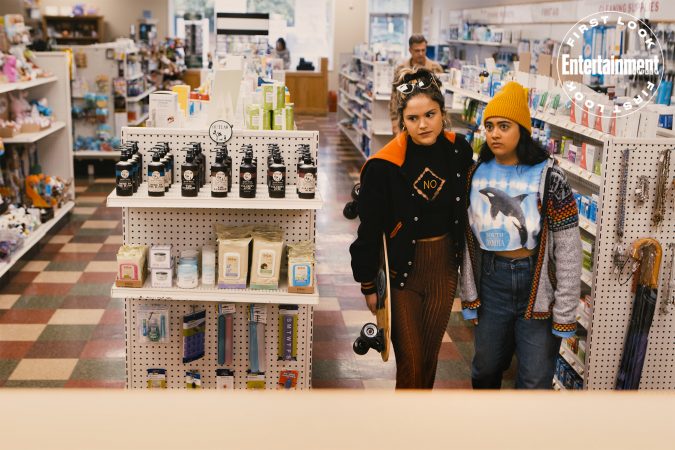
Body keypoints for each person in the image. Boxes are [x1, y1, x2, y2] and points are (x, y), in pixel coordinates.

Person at [350, 67, 474, 389]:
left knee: (429, 360)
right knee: (412, 362)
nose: (423, 125)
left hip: (443, 269)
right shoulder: (383, 166)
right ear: (402, 121)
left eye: (430, 115)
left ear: (442, 113)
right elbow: (369, 229)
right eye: (413, 118)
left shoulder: (459, 151)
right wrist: (368, 284)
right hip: (401, 273)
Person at [460, 81, 581, 389]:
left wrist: (565, 311)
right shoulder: (474, 174)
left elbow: (568, 249)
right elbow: (466, 241)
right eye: (489, 126)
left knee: (535, 378)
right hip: (491, 280)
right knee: (484, 368)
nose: (494, 134)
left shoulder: (549, 177)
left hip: (536, 285)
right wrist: (469, 294)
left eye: (504, 126)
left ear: (522, 130)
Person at [389, 34, 443, 135]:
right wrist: (394, 123)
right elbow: (394, 98)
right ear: (410, 50)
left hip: (429, 121)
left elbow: (440, 98)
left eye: (423, 50)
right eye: (417, 51)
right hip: (405, 122)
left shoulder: (435, 68)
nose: (421, 53)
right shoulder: (401, 70)